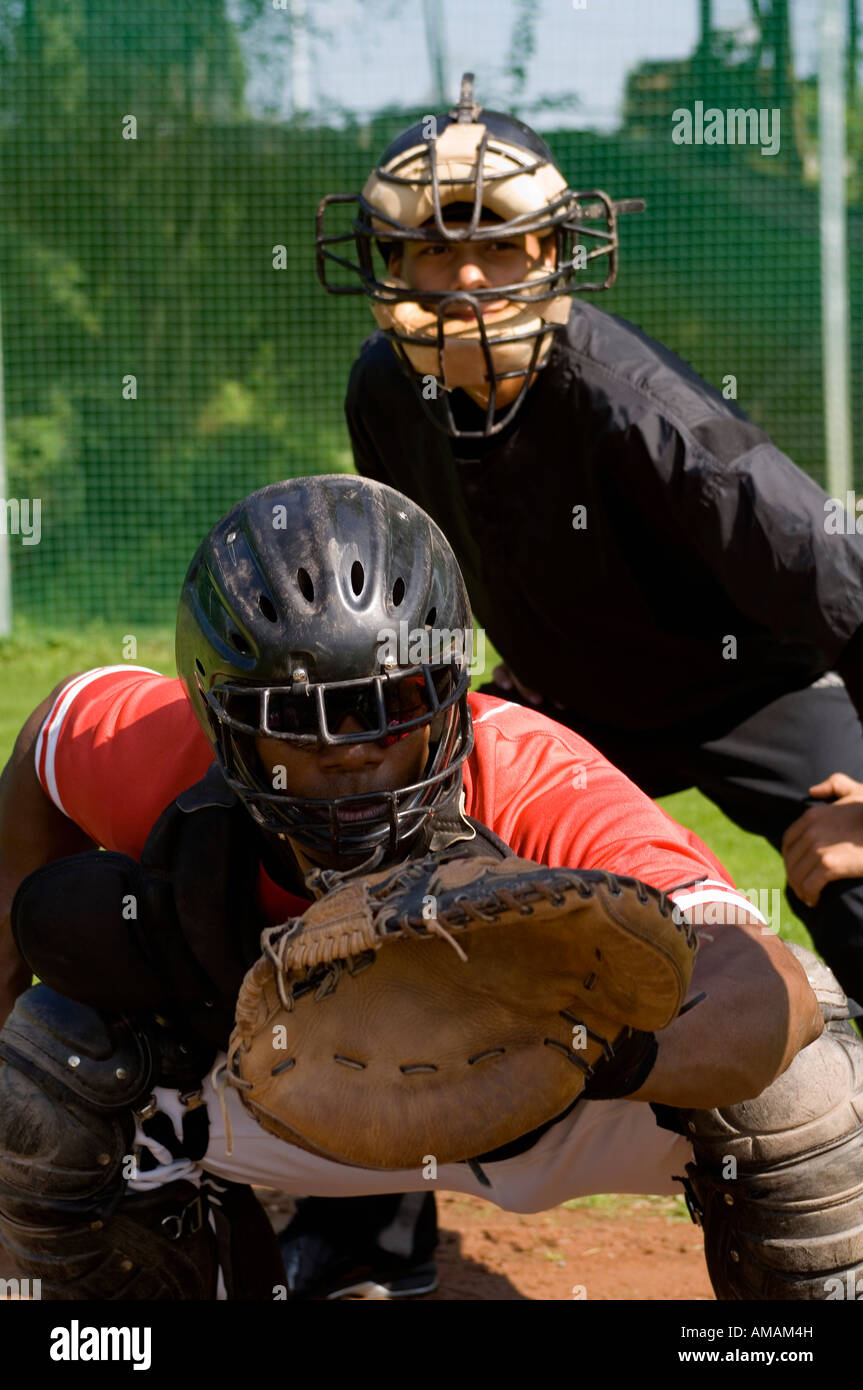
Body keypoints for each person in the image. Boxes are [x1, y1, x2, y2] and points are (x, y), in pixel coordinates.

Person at [0, 473, 859, 1303]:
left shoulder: (532, 777)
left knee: (804, 1087)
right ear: (220, 720)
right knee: (41, 1069)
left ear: (450, 693)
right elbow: (48, 738)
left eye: (391, 699)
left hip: (562, 1108)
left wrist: (592, 1053)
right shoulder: (154, 753)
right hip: (291, 1096)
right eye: (297, 718)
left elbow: (762, 981)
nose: (349, 750)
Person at [318, 74, 863, 1009]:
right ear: (388, 264)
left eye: (496, 243)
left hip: (750, 690)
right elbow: (422, 595)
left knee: (852, 874)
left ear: (550, 249)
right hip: (564, 698)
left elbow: (837, 575)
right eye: (433, 252)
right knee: (375, 838)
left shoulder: (638, 410)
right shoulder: (384, 389)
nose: (469, 280)